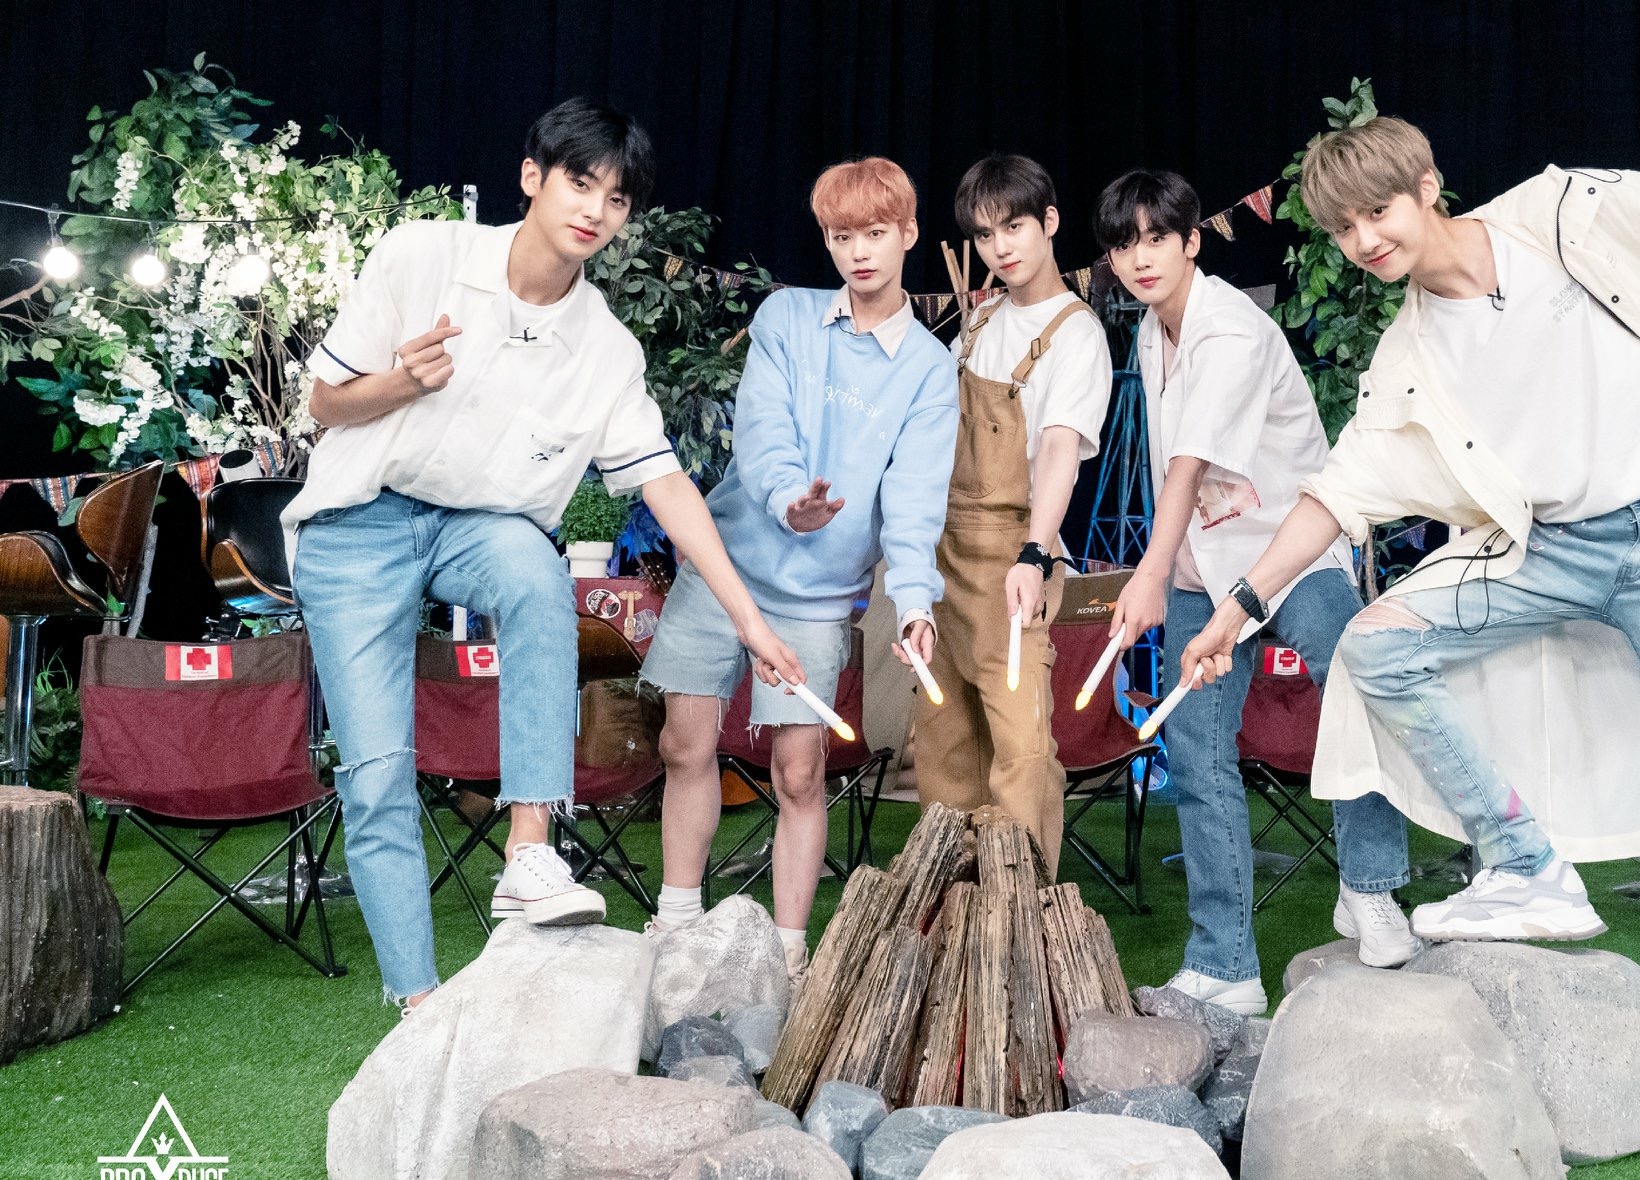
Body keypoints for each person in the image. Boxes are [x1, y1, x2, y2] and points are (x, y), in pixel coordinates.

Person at [1178, 117, 1640, 1166]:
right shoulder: (1407, 357)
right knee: (1379, 641)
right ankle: (1529, 863)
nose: (1365, 240)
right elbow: (1339, 490)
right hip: (1560, 548)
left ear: (1428, 186)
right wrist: (1236, 608)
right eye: (1343, 227)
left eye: (1378, 211)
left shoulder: (1559, 213)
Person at [290, 98, 801, 1014]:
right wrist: (401, 382)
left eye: (617, 197)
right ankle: (418, 1004)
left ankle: (529, 848)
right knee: (377, 774)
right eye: (579, 182)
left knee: (535, 569)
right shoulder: (422, 256)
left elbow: (666, 484)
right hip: (358, 521)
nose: (595, 209)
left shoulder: (604, 347)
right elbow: (324, 404)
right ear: (533, 176)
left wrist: (751, 621)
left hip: (479, 525)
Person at [1095, 168, 1418, 1018]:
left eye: (1156, 238)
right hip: (1204, 571)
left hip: (1291, 554)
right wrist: (1170, 571)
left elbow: (1188, 465)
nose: (1140, 257)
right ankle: (1225, 962)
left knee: (1357, 686)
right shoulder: (1150, 332)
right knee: (1196, 754)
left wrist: (1146, 573)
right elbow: (1178, 474)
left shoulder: (1231, 328)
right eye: (1124, 244)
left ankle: (1371, 886)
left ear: (1191, 241)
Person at [641, 156, 958, 982]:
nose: (859, 252)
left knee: (800, 770)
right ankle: (676, 922)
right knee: (683, 742)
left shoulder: (930, 369)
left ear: (909, 233)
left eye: (876, 233)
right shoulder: (786, 318)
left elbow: (914, 502)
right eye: (842, 236)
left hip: (819, 598)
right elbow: (762, 433)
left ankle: (786, 953)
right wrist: (792, 502)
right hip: (726, 568)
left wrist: (916, 603)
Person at [910, 154, 1112, 878]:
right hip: (943, 556)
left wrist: (1034, 552)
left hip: (1013, 561)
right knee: (943, 744)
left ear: (1049, 222)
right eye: (985, 234)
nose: (1001, 247)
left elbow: (1059, 451)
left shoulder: (1076, 333)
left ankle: (1021, 913)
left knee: (1022, 752)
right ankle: (947, 912)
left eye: (1015, 227)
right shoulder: (980, 319)